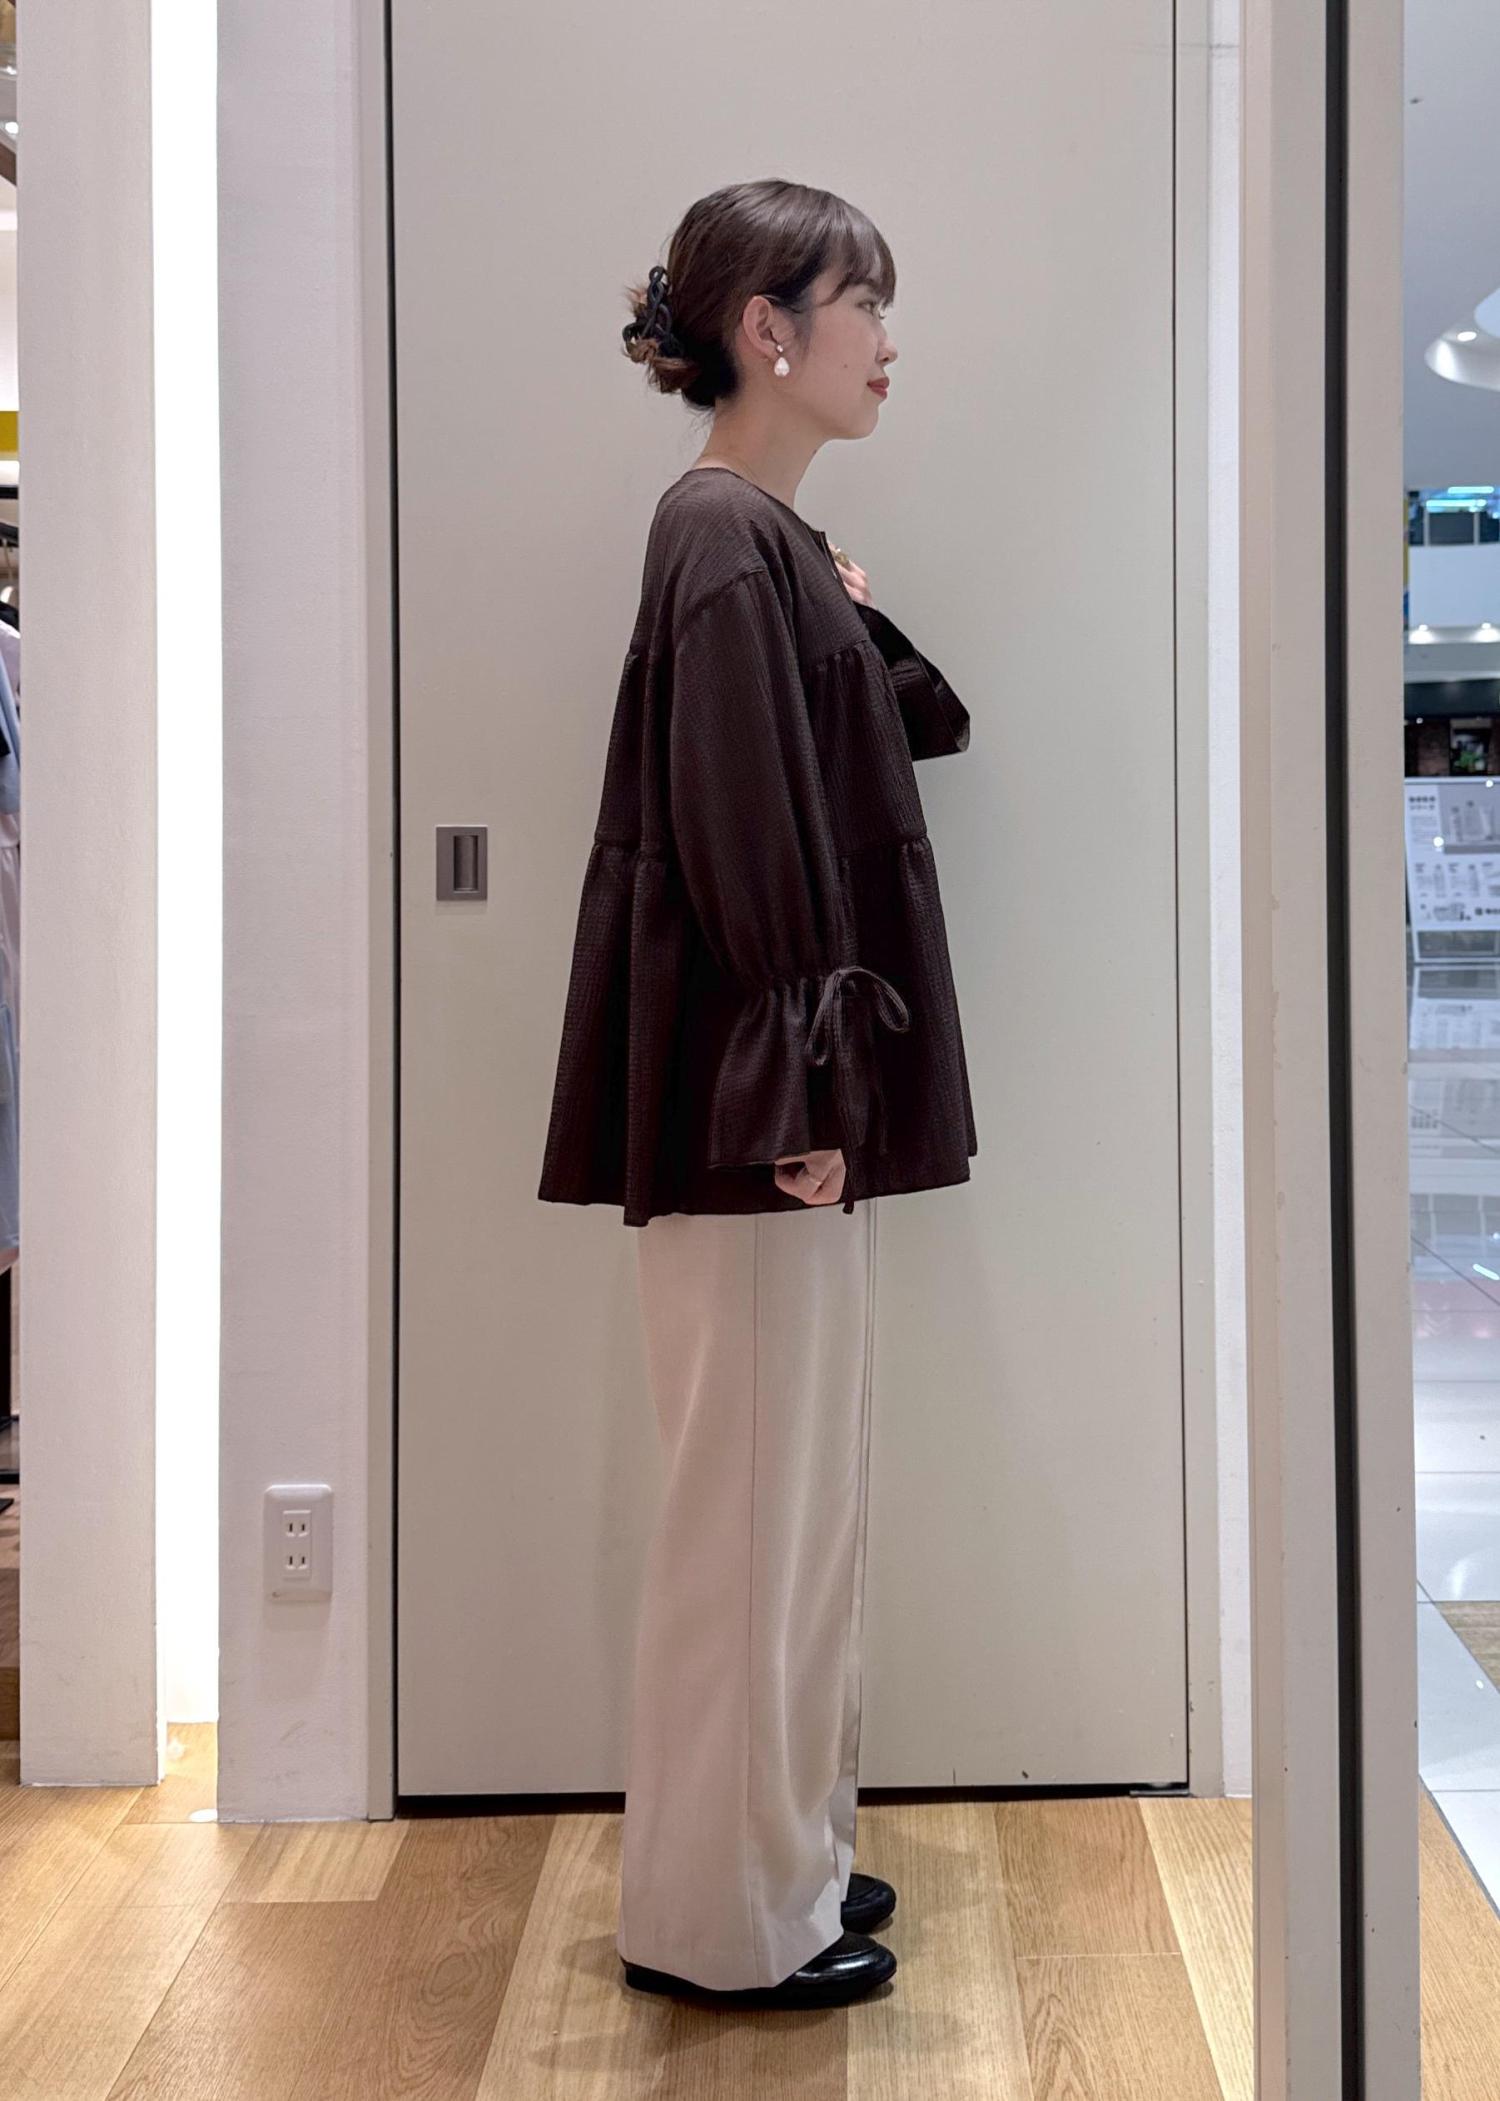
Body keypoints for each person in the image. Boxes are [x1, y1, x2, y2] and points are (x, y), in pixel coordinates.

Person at [536, 178, 977, 2009]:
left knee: (793, 1513)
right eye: (863, 303)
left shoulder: (767, 541)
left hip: (781, 1109)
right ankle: (722, 1920)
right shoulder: (721, 534)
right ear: (769, 330)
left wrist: (853, 607)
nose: (890, 341)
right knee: (749, 1521)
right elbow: (736, 834)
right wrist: (802, 1084)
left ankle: (780, 1860)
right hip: (760, 1119)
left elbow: (925, 728)